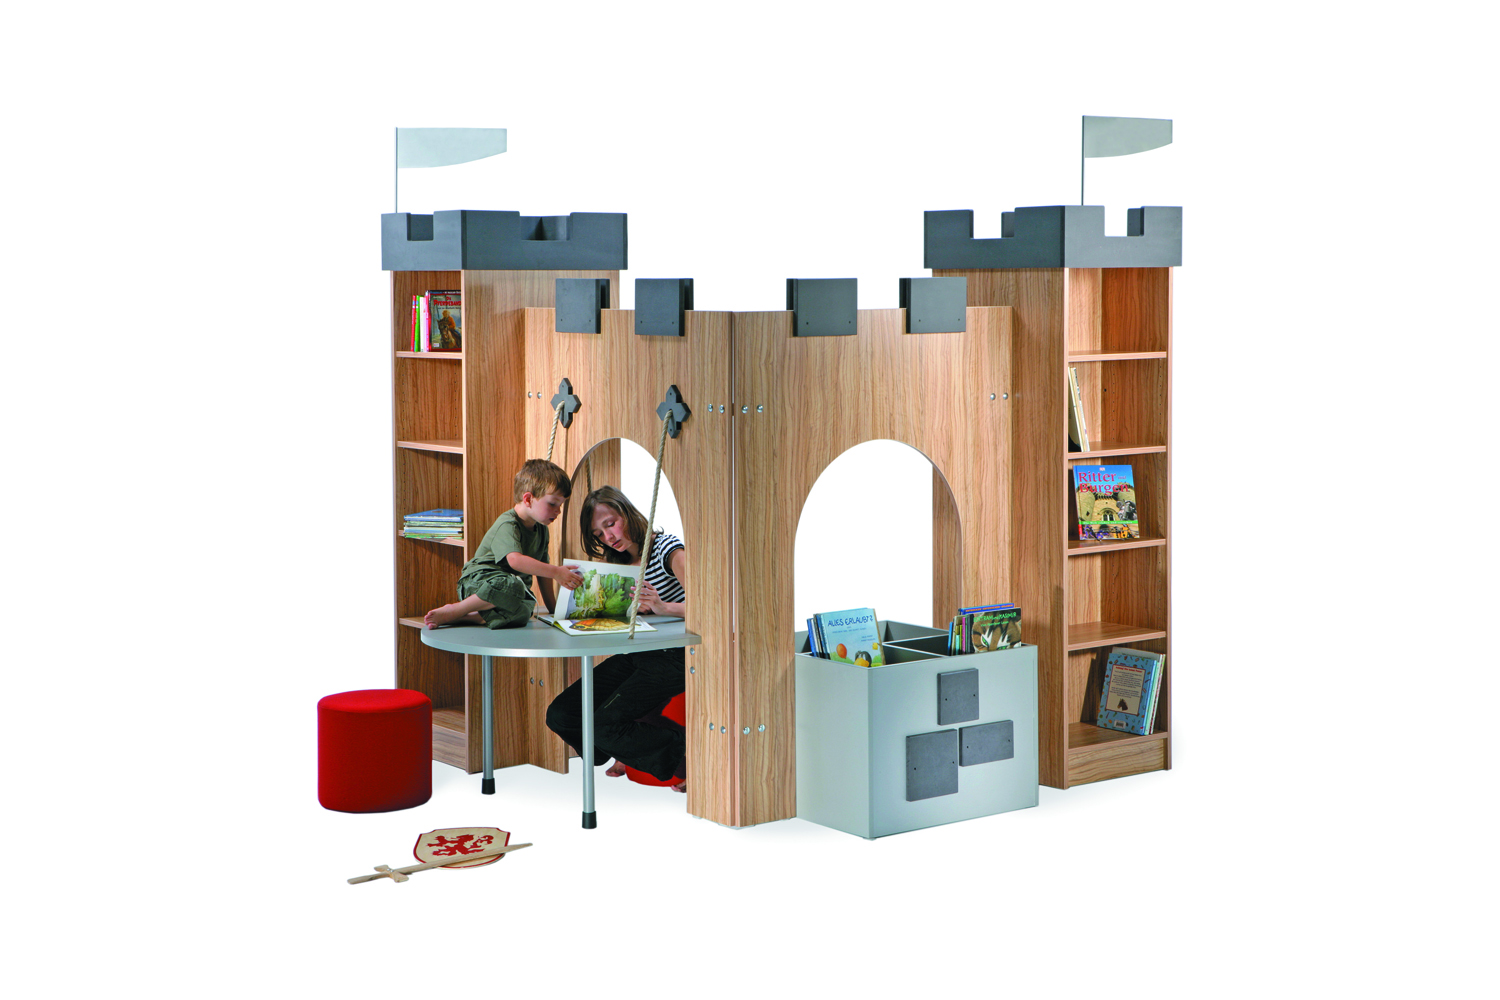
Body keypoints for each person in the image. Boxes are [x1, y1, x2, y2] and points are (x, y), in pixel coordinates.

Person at [544, 486, 688, 791]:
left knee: (604, 726)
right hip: (637, 653)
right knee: (561, 714)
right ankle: (623, 750)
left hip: (674, 656)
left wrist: (663, 607)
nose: (608, 537)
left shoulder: (667, 550)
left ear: (627, 513)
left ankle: (689, 760)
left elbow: (713, 606)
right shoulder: (616, 564)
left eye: (611, 524)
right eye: (599, 533)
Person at [423, 459, 584, 629]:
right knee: (513, 586)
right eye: (552, 503)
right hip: (479, 583)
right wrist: (556, 572)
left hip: (510, 591)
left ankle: (473, 617)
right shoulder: (508, 524)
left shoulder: (542, 530)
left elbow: (543, 574)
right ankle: (457, 609)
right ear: (528, 499)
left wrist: (554, 611)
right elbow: (515, 560)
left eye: (560, 505)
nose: (558, 511)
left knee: (526, 609)